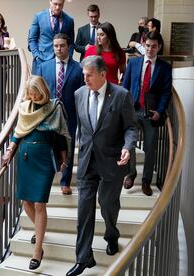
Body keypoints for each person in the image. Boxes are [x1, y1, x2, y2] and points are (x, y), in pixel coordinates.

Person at [66, 55, 138, 276]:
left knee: (107, 205)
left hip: (111, 162)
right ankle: (83, 257)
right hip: (88, 162)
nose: (84, 79)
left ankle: (111, 235)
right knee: (83, 211)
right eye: (83, 75)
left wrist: (128, 146)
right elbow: (82, 127)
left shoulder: (121, 95)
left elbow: (131, 127)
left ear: (102, 74)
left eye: (89, 75)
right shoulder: (79, 94)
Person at [1, 75, 71, 270]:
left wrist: (64, 159)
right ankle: (39, 231)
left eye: (35, 93)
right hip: (25, 157)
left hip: (44, 158)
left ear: (43, 91)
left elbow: (60, 136)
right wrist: (9, 151)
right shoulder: (25, 107)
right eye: (30, 93)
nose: (32, 96)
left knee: (40, 203)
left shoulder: (54, 107)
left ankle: (38, 250)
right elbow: (18, 131)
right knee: (26, 202)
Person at [122, 31, 172, 196]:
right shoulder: (134, 63)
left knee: (150, 148)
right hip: (133, 110)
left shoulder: (165, 68)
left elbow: (166, 93)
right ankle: (131, 173)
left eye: (154, 46)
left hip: (151, 113)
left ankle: (146, 181)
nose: (150, 49)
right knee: (130, 144)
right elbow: (125, 87)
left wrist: (160, 111)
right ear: (143, 44)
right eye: (148, 45)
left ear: (159, 47)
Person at [38, 33, 84, 195]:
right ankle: (46, 179)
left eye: (62, 45)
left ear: (69, 46)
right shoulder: (44, 66)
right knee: (48, 147)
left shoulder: (78, 68)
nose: (58, 49)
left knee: (68, 149)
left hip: (70, 115)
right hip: (49, 114)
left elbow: (82, 94)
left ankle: (65, 182)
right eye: (56, 46)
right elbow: (40, 91)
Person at [28, 0, 75, 75]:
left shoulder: (69, 20)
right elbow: (32, 39)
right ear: (50, 2)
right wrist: (36, 55)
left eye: (60, 5)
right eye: (55, 4)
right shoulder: (39, 16)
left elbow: (71, 43)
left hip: (61, 61)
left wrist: (69, 56)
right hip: (41, 59)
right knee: (39, 86)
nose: (57, 7)